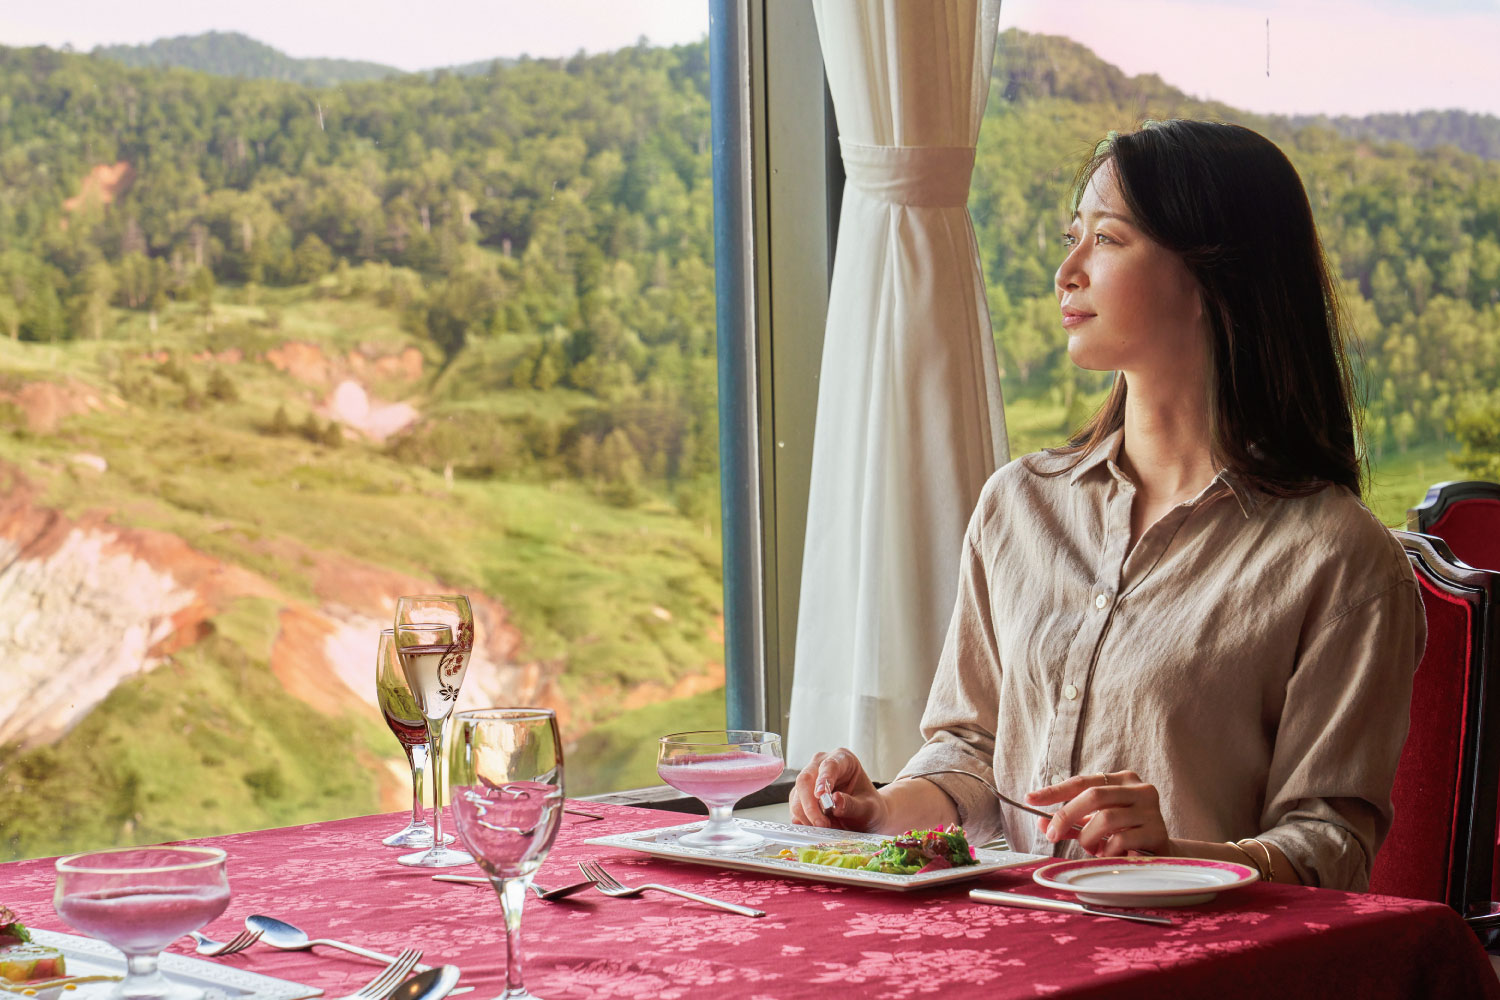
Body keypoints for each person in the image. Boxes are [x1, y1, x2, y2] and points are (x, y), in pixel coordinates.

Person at [788, 119, 1426, 892]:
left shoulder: (1340, 559)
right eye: (1073, 236)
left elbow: (1332, 847)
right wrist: (880, 808)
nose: (1067, 270)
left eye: (1109, 240)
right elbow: (972, 751)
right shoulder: (1017, 506)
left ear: (1212, 278)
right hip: (1017, 947)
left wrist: (1184, 853)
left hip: (1202, 968)